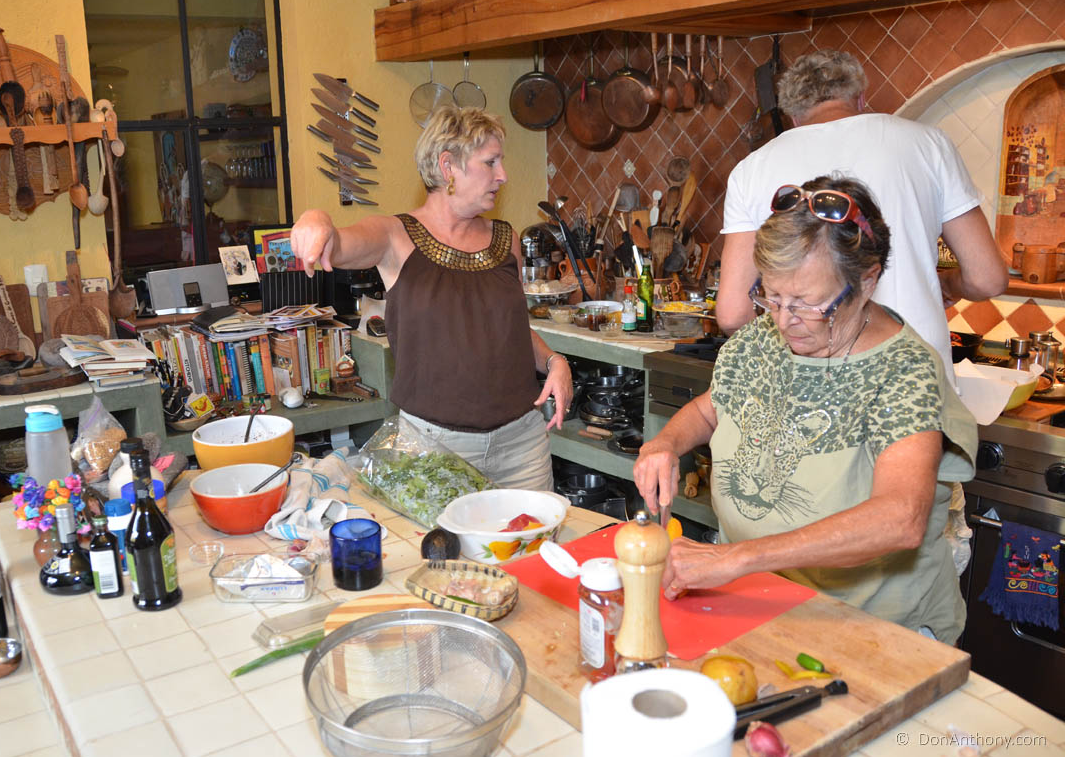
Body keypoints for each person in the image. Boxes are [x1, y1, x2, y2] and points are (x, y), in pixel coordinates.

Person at [635, 176, 976, 644]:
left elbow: (900, 518)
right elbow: (712, 410)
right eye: (771, 297)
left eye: (807, 304)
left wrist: (738, 557)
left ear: (867, 281)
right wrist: (664, 444)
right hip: (759, 602)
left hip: (869, 628)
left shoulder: (904, 369)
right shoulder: (761, 340)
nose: (783, 320)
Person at [290, 105, 570, 491]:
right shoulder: (395, 236)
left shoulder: (507, 240)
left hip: (521, 446)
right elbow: (337, 245)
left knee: (535, 534)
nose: (503, 175)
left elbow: (512, 332)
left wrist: (555, 361)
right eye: (490, 162)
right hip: (435, 449)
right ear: (448, 165)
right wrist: (316, 220)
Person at [716, 49, 1007, 379]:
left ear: (793, 116)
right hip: (914, 374)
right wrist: (947, 284)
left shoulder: (752, 169)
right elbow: (988, 279)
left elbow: (733, 314)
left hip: (809, 383)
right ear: (860, 99)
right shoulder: (928, 143)